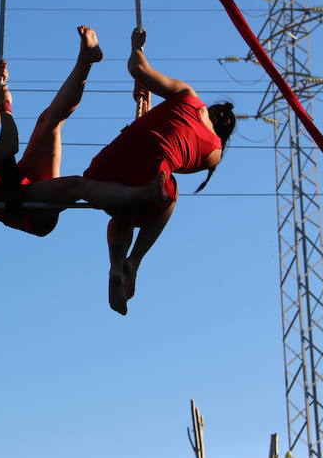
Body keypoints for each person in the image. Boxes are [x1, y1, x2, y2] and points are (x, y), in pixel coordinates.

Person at [0, 25, 168, 237]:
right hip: (27, 208)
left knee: (49, 120)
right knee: (76, 185)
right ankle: (141, 194)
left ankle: (87, 59)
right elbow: (8, 147)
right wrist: (6, 107)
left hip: (24, 178)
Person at [83, 28, 236, 316]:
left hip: (108, 164)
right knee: (167, 192)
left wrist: (136, 46)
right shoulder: (213, 153)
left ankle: (117, 264)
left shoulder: (189, 96)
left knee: (125, 205)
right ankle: (133, 262)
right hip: (148, 175)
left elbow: (137, 68)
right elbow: (168, 152)